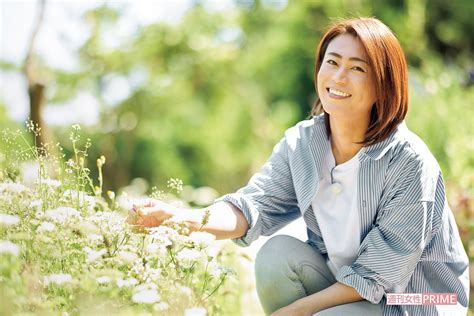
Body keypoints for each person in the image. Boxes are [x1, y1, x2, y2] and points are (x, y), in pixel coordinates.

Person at [128, 17, 469, 316]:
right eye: (332, 62)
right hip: (349, 288)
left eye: (357, 68)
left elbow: (378, 273)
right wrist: (180, 219)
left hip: (418, 301)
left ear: (383, 84)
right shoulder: (303, 144)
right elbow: (254, 206)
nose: (339, 76)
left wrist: (299, 310)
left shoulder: (410, 162)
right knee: (276, 256)